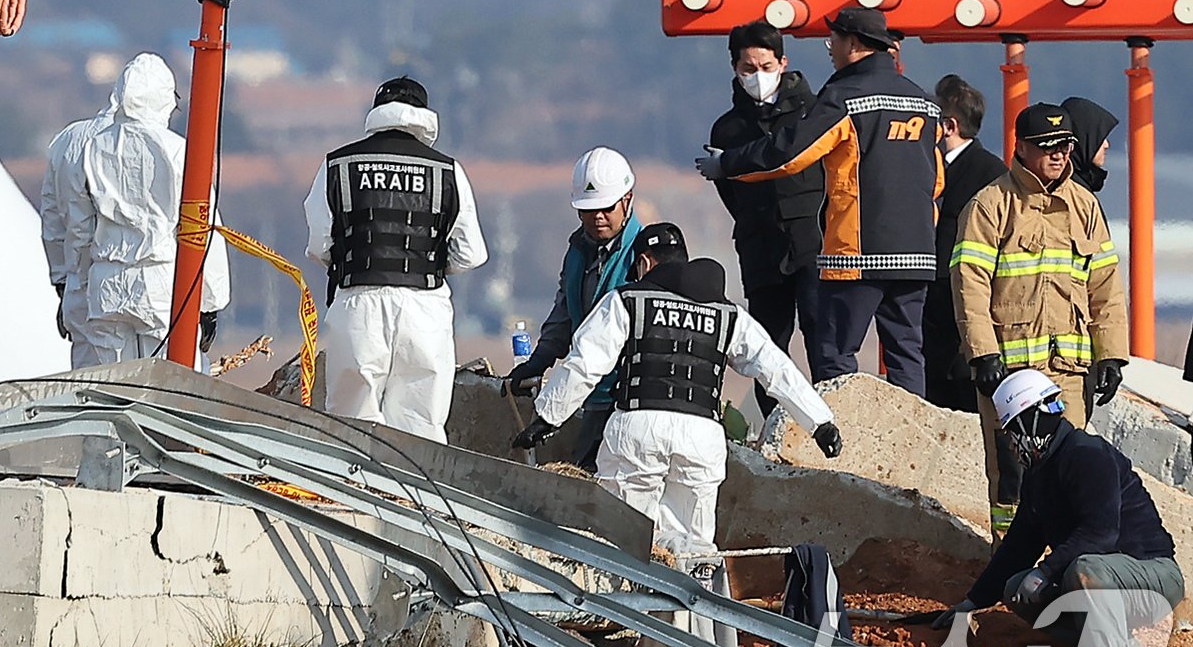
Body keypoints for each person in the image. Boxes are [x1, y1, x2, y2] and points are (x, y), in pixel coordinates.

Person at [512, 222, 840, 554]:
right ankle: (694, 604)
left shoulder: (628, 300)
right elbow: (775, 367)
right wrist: (820, 423)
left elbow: (585, 364)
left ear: (643, 262)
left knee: (623, 541)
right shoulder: (728, 314)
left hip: (637, 430)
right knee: (695, 550)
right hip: (701, 438)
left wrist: (547, 418)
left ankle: (626, 605)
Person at [700, 7, 944, 397]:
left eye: (835, 40)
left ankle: (837, 449)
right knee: (906, 354)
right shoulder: (924, 102)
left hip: (856, 252)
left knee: (834, 355)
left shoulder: (843, 98)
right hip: (916, 251)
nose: (831, 48)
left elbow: (791, 154)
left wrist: (727, 163)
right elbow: (935, 181)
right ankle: (905, 446)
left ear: (854, 44)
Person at [935, 369, 1183, 647]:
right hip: (1104, 582)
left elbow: (1100, 533)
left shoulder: (1086, 455)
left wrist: (1045, 572)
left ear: (1031, 422)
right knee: (1015, 589)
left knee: (1084, 569)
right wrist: (974, 600)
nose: (1011, 444)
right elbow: (1019, 546)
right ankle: (1098, 642)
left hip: (1151, 577)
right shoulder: (1040, 476)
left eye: (1013, 432)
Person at [952, 102, 1128, 507]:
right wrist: (982, 355)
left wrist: (1112, 356)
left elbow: (1106, 287)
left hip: (1070, 373)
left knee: (1071, 479)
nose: (1059, 154)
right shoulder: (990, 205)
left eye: (1065, 145)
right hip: (1010, 377)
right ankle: (1008, 568)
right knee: (1012, 483)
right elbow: (969, 285)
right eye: (1047, 145)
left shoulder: (1085, 206)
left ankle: (1061, 568)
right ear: (1022, 148)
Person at [303, 76, 487, 443]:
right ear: (425, 116)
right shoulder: (447, 170)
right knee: (421, 426)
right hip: (424, 305)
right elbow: (470, 253)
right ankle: (414, 498)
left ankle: (351, 496)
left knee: (351, 424)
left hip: (357, 302)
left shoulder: (338, 164)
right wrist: (423, 261)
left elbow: (319, 245)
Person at [63, 52, 231, 367]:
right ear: (165, 99)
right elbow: (205, 228)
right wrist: (210, 302)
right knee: (173, 389)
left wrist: (78, 287)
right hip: (160, 282)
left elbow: (78, 229)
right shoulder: (177, 150)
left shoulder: (90, 148)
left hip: (107, 286)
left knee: (114, 389)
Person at [696, 20, 823, 420]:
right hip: (760, 248)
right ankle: (776, 427)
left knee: (824, 341)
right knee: (768, 348)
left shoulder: (814, 113)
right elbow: (730, 191)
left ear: (783, 63)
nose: (757, 77)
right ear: (734, 68)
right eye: (747, 69)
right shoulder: (728, 129)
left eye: (765, 67)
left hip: (814, 243)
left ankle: (831, 421)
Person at [504, 147, 642, 470]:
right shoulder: (578, 250)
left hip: (628, 401)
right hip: (591, 398)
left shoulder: (645, 253)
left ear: (627, 199)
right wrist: (539, 360)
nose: (597, 217)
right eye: (587, 210)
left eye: (606, 208)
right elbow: (565, 313)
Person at [923, 75, 1007, 414]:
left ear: (948, 125)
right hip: (932, 300)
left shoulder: (988, 174)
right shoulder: (933, 166)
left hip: (960, 301)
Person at [41, 109, 111, 369]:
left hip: (78, 284)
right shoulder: (167, 146)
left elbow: (52, 218)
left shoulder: (67, 140)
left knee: (86, 387)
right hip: (147, 288)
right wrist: (208, 302)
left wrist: (62, 281)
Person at [1061, 96, 1120, 195]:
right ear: (1083, 139)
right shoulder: (1070, 192)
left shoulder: (1079, 186)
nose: (1107, 145)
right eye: (1099, 138)